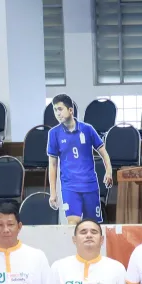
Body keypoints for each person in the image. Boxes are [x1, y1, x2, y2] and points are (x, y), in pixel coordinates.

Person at [47, 94, 113, 224]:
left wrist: (109, 171)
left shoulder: (87, 129)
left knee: (91, 225)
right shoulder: (53, 134)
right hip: (69, 186)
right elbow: (52, 165)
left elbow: (104, 153)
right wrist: (53, 192)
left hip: (90, 184)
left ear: (70, 110)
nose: (57, 113)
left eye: (60, 109)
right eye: (55, 110)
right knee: (73, 223)